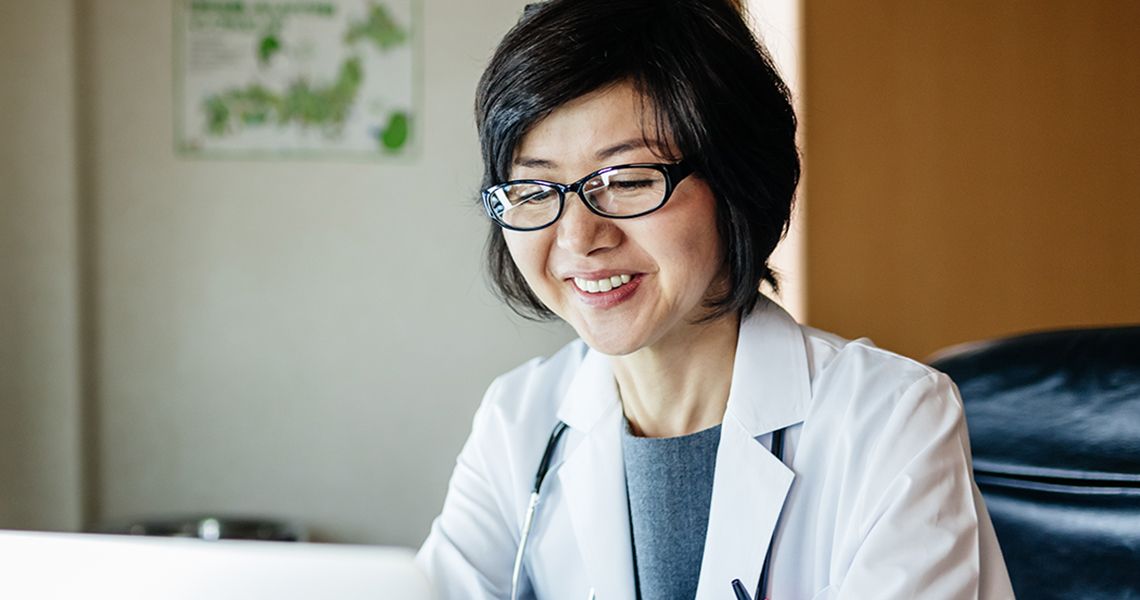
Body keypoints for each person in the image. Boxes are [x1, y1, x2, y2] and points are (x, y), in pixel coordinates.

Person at [417, 1, 1015, 598]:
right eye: (534, 188)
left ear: (736, 179)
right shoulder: (518, 417)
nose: (579, 238)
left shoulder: (891, 420)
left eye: (627, 181)